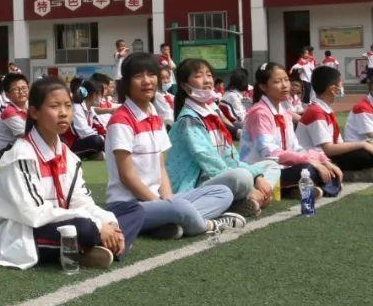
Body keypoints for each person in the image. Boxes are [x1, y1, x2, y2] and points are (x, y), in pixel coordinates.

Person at [0, 78, 144, 270]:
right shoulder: (21, 155)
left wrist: (107, 222)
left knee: (134, 210)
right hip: (23, 230)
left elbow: (82, 202)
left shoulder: (68, 156)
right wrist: (97, 225)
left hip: (62, 220)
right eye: (54, 106)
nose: (63, 113)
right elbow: (33, 213)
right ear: (34, 112)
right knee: (85, 228)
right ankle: (96, 245)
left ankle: (99, 244)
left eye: (68, 106)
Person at [104, 53, 245, 240]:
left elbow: (160, 167)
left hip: (157, 201)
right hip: (128, 206)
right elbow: (127, 176)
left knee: (223, 193)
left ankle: (170, 223)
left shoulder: (154, 116)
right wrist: (162, 204)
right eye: (138, 76)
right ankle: (209, 224)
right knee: (180, 208)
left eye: (151, 74)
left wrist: (168, 200)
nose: (147, 81)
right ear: (127, 83)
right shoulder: (121, 120)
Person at [165, 59, 273, 219]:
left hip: (220, 178)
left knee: (271, 165)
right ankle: (244, 198)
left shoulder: (212, 114)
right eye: (199, 76)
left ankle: (242, 201)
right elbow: (210, 162)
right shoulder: (189, 119)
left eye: (209, 75)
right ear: (184, 85)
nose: (207, 80)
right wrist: (250, 183)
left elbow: (230, 158)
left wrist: (258, 176)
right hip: (197, 184)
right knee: (241, 177)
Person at [239, 62, 341, 196]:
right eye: (277, 81)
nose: (285, 85)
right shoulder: (259, 113)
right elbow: (270, 153)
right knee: (308, 170)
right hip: (262, 170)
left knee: (326, 168)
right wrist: (309, 161)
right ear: (263, 87)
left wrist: (322, 160)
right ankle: (285, 190)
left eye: (286, 80)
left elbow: (296, 147)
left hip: (284, 167)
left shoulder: (285, 111)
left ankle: (290, 189)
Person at [297, 66, 373, 175]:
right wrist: (362, 144)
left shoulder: (324, 109)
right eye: (341, 85)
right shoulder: (316, 112)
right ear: (332, 89)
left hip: (327, 155)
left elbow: (338, 143)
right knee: (365, 155)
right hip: (317, 158)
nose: (342, 88)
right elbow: (328, 149)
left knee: (364, 152)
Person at [0, 73, 30, 165]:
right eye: (16, 89)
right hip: (4, 154)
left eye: (24, 88)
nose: (21, 92)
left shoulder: (30, 106)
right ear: (7, 95)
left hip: (18, 149)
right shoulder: (9, 112)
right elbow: (27, 136)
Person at [65, 79, 106, 157]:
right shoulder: (77, 107)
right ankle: (83, 154)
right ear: (94, 95)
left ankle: (90, 154)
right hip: (71, 144)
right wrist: (103, 138)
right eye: (101, 95)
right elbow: (84, 132)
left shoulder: (90, 109)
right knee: (97, 141)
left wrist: (107, 136)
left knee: (105, 139)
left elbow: (99, 126)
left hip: (84, 141)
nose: (101, 98)